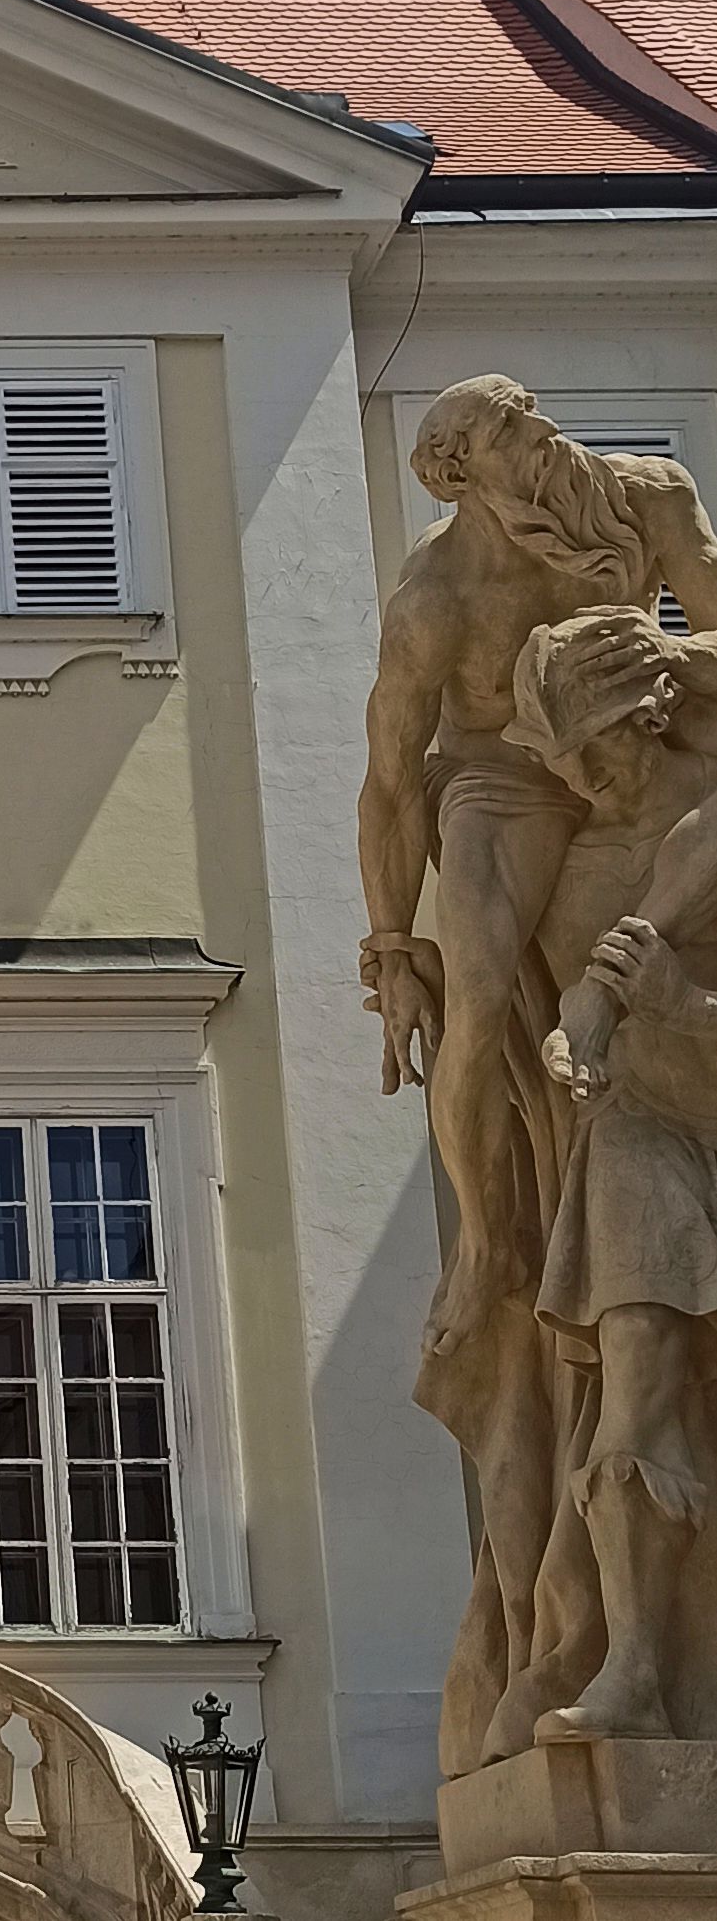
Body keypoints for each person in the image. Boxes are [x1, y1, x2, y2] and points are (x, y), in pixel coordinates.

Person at [360, 379, 717, 1358]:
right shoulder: (435, 597)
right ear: (464, 477)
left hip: (637, 735)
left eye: (528, 410)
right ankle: (482, 1241)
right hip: (498, 776)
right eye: (509, 431)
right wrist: (392, 947)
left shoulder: (644, 494)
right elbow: (389, 783)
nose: (542, 433)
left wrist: (665, 657)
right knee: (473, 995)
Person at [499, 609, 717, 1741]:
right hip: (640, 1130)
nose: (581, 779)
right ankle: (631, 1666)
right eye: (562, 760)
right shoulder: (577, 867)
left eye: (598, 745)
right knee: (630, 1376)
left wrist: (681, 1005)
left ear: (655, 712)